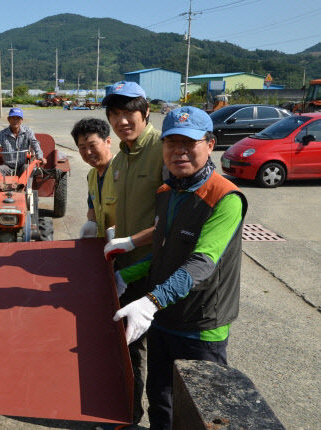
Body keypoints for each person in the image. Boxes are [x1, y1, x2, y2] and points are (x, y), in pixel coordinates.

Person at [113, 107, 247, 429]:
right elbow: (163, 254)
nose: (179, 152)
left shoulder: (225, 197)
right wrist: (123, 274)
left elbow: (202, 262)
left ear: (210, 144)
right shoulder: (166, 192)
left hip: (201, 326)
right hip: (163, 321)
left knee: (200, 412)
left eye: (189, 142)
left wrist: (150, 302)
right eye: (171, 142)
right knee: (160, 399)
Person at [99, 81, 166, 424]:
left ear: (145, 112)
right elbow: (110, 207)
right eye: (114, 114)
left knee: (160, 358)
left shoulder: (163, 149)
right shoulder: (120, 157)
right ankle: (128, 418)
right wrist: (105, 231)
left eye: (129, 112)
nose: (122, 120)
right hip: (123, 272)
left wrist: (133, 242)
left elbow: (175, 219)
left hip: (156, 272)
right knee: (127, 354)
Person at [70, 118, 116, 239]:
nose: (88, 152)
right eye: (82, 147)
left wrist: (118, 229)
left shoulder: (124, 169)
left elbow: (139, 210)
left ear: (108, 142)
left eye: (92, 145)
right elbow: (92, 206)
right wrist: (91, 221)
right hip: (103, 243)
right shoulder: (92, 175)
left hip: (127, 243)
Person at [0, 108, 47, 176]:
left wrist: (40, 157)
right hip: (7, 166)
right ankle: (1, 187)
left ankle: (27, 187)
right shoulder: (2, 134)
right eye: (13, 118)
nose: (15, 121)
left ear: (21, 120)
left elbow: (35, 143)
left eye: (18, 118)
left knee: (29, 168)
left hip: (22, 166)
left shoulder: (28, 131)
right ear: (8, 119)